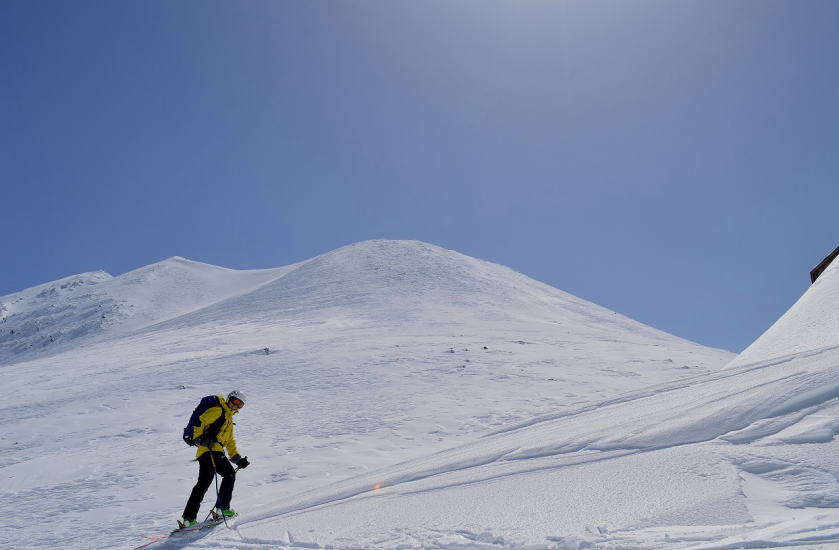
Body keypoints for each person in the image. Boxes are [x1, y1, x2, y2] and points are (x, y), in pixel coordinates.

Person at [180, 390, 250, 527]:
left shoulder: (229, 420)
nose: (236, 406)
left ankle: (188, 519)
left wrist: (238, 459)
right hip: (212, 450)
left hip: (205, 453)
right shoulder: (218, 410)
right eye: (235, 402)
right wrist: (199, 439)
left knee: (202, 484)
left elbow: (230, 442)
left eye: (240, 405)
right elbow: (200, 422)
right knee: (229, 474)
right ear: (229, 399)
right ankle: (223, 509)